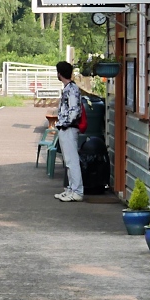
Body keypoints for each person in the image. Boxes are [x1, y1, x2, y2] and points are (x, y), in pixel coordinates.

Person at [54, 61, 84, 202]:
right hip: (65, 128)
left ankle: (77, 190)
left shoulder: (71, 89)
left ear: (60, 73)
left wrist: (65, 123)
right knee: (68, 161)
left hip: (69, 128)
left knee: (72, 161)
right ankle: (71, 188)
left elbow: (74, 110)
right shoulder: (69, 88)